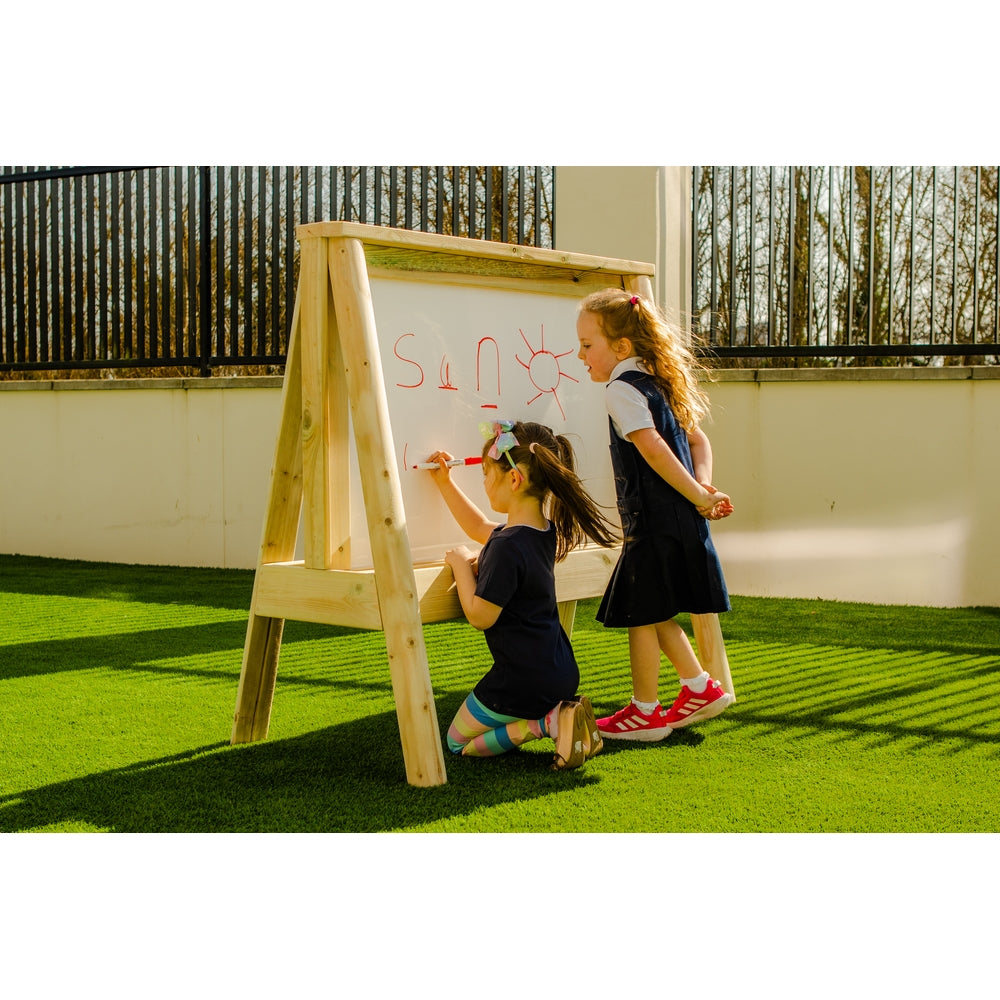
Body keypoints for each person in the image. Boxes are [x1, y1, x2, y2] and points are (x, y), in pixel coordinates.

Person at [576, 287, 735, 742]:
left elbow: (653, 450)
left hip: (653, 522)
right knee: (653, 608)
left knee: (641, 612)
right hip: (681, 518)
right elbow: (697, 441)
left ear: (621, 346)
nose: (580, 355)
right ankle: (699, 687)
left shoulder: (621, 389)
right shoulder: (660, 382)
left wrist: (699, 493)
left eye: (587, 345)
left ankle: (645, 712)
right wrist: (702, 487)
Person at [425, 419, 618, 770]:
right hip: (559, 670)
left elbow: (480, 616)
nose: (484, 483)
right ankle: (562, 714)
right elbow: (479, 528)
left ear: (514, 479)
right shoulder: (542, 531)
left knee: (457, 742)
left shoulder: (506, 547)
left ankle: (549, 723)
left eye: (486, 474)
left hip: (522, 681)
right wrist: (444, 483)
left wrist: (460, 564)